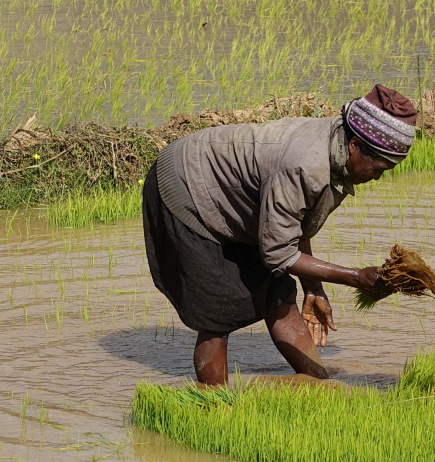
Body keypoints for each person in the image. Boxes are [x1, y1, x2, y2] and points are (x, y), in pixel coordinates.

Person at [142, 84, 418, 385]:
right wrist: (354, 277)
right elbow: (280, 254)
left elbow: (294, 227)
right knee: (217, 311)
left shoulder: (337, 154)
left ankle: (318, 381)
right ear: (355, 145)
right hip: (188, 187)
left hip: (235, 196)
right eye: (378, 168)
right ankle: (215, 407)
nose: (377, 177)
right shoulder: (306, 165)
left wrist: (313, 289)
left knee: (278, 293)